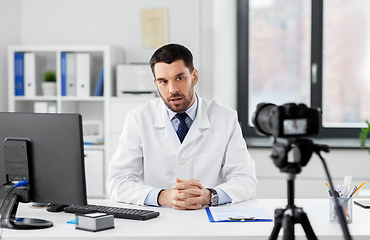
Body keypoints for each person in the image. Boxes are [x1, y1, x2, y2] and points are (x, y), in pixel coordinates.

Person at [106, 43, 257, 210]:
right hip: (158, 220)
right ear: (156, 84)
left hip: (207, 219)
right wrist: (164, 197)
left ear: (194, 76)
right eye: (163, 81)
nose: (173, 90)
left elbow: (246, 180)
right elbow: (117, 182)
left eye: (179, 78)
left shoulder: (225, 118)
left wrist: (209, 196)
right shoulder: (138, 119)